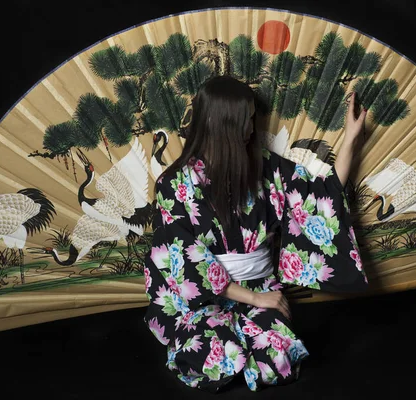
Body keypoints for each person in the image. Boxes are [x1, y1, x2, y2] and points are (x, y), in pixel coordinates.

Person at [143, 75, 368, 392]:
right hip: (200, 299)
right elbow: (184, 264)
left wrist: (351, 140)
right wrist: (254, 299)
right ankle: (219, 341)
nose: (253, 128)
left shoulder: (265, 167)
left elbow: (319, 198)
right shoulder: (174, 184)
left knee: (283, 360)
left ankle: (242, 341)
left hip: (259, 284)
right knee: (213, 357)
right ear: (226, 124)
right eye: (248, 120)